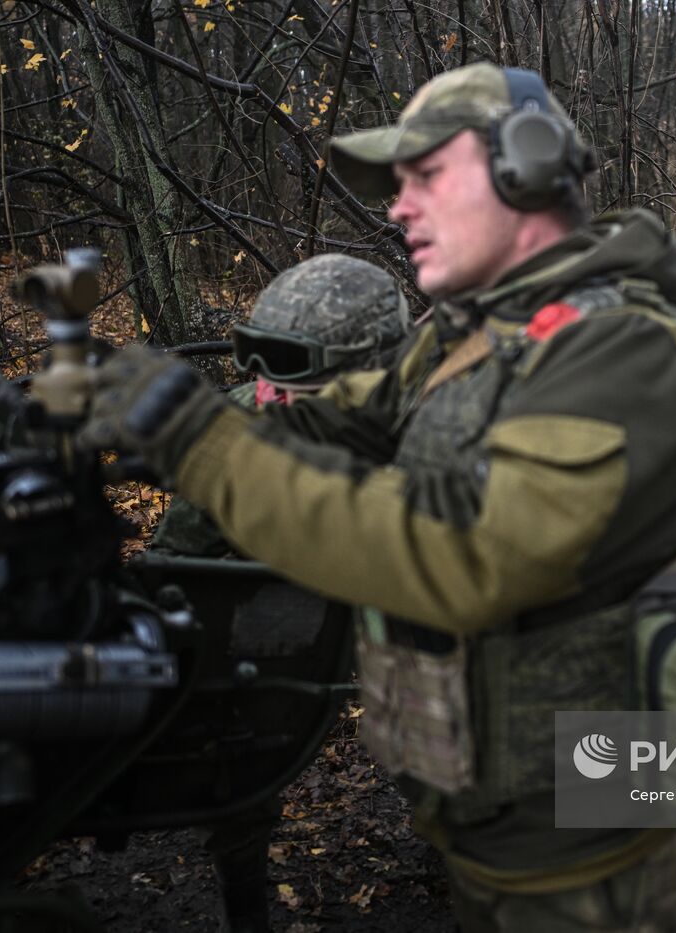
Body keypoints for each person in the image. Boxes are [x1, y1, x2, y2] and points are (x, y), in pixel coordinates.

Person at [78, 62, 676, 932]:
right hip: (491, 803)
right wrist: (142, 417)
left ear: (529, 167)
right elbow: (336, 421)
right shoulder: (473, 336)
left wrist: (199, 446)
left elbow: (462, 560)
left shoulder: (631, 355)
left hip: (587, 843)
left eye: (426, 177)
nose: (399, 208)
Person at [142, 253, 410, 933]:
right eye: (269, 379)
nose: (277, 399)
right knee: (234, 736)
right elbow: (175, 575)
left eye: (305, 386)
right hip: (277, 656)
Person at [152, 252, 412, 557]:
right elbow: (176, 562)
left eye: (295, 377)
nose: (271, 398)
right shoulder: (243, 416)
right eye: (267, 375)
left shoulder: (441, 437)